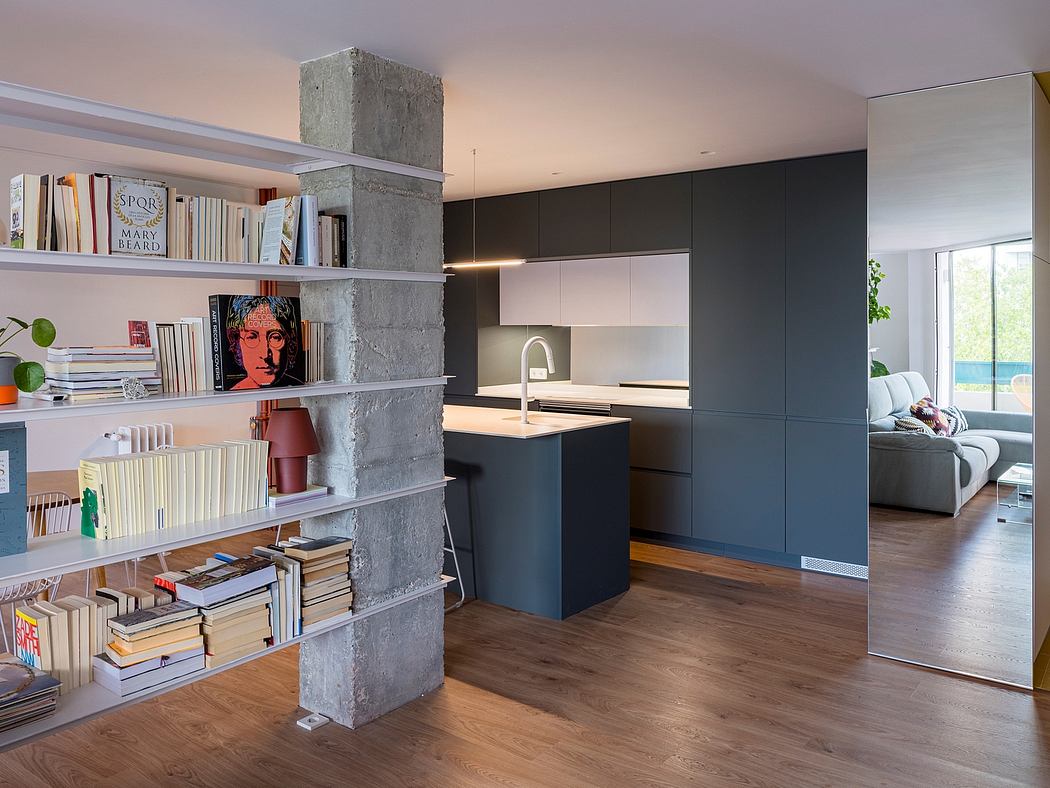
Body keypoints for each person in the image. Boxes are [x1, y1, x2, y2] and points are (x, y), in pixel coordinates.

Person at [225, 296, 302, 389]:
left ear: (291, 343)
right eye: (252, 337)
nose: (265, 354)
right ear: (236, 342)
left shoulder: (298, 386)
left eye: (275, 337)